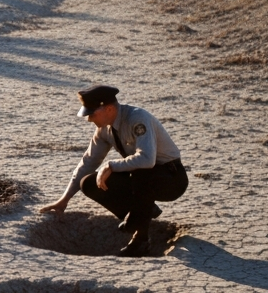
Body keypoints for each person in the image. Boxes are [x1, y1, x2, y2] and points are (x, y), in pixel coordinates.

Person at [38, 85, 188, 257]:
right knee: (88, 183)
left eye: (92, 114)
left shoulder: (137, 118)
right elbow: (88, 162)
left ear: (108, 109)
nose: (89, 119)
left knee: (141, 173)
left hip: (171, 179)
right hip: (142, 181)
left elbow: (147, 159)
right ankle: (143, 211)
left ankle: (139, 235)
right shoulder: (104, 129)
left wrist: (111, 165)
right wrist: (64, 200)